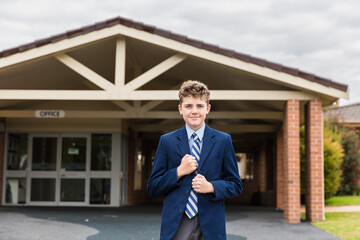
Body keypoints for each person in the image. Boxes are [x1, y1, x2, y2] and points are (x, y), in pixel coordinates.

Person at [147, 80, 243, 240]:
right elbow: (153, 187)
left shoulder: (223, 141)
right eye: (188, 106)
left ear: (208, 109)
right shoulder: (167, 141)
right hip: (177, 223)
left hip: (211, 223)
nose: (194, 111)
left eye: (199, 106)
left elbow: (236, 185)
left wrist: (211, 186)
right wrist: (178, 172)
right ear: (180, 109)